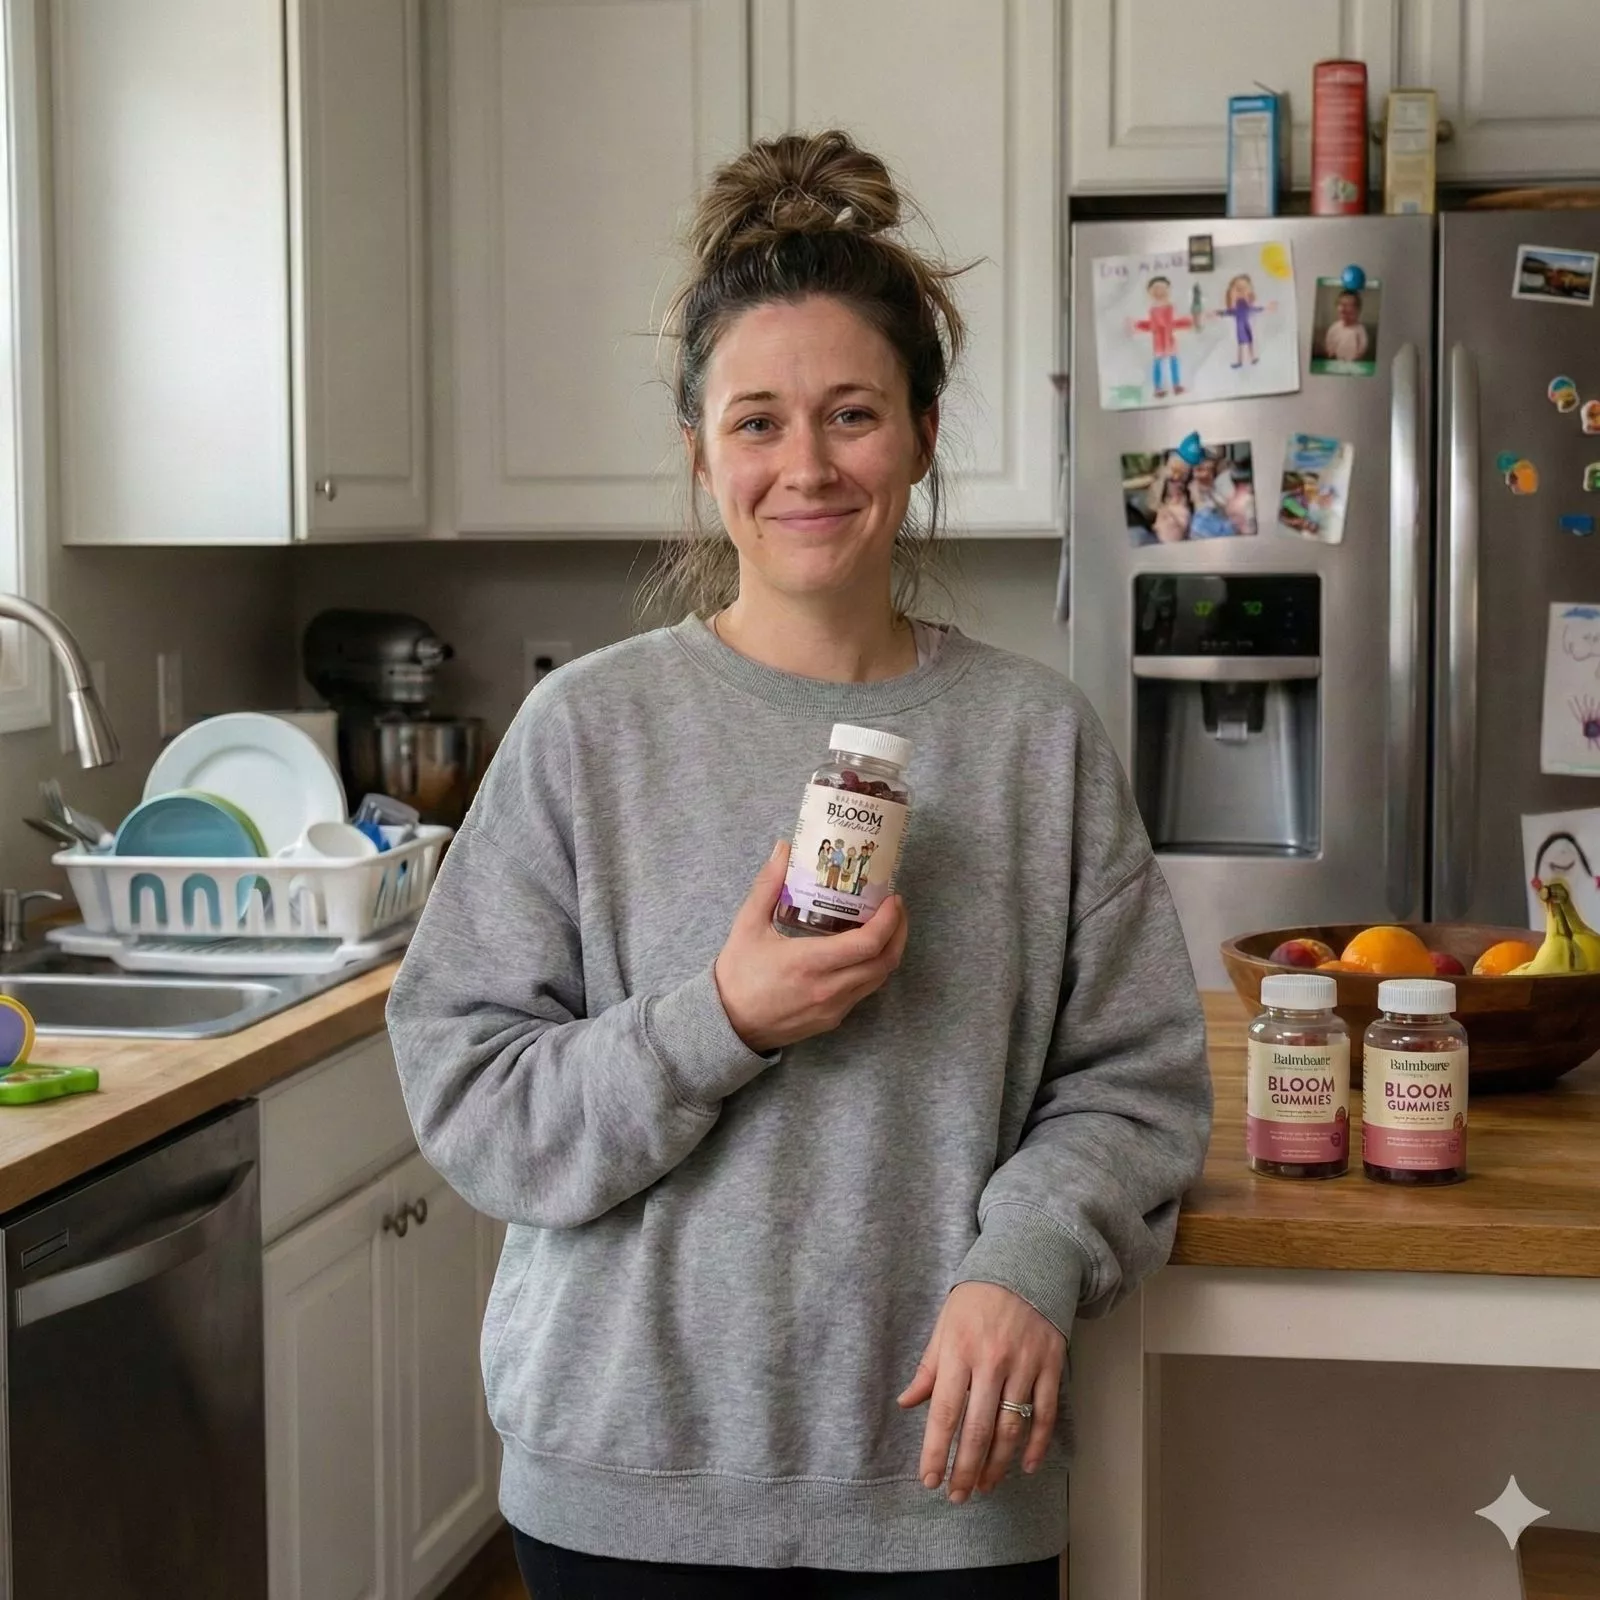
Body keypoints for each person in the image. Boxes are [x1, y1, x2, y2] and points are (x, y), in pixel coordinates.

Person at [387, 128, 1211, 1597]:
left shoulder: (1036, 740)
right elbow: (471, 1099)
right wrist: (724, 1019)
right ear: (701, 453)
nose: (808, 465)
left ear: (925, 431)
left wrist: (1028, 1259)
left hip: (943, 1481)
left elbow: (1136, 1081)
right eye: (756, 422)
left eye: (851, 413)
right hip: (621, 1488)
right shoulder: (589, 729)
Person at [1132, 275, 1193, 397]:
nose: (1160, 292)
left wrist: (1185, 323)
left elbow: (1170, 324)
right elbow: (1154, 325)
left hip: (1169, 339)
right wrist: (1139, 325)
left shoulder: (1170, 307)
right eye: (1156, 289)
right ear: (1151, 292)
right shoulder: (1153, 309)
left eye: (1163, 289)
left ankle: (1176, 385)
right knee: (1158, 363)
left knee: (1173, 361)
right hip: (1159, 340)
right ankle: (1158, 388)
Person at [1323, 290, 1369, 364]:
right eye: (1343, 313)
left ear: (1357, 312)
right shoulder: (1334, 328)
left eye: (1350, 313)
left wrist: (1359, 356)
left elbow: (1363, 345)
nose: (1346, 316)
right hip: (1337, 361)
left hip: (1353, 362)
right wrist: (1331, 353)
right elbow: (1329, 342)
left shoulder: (1359, 329)